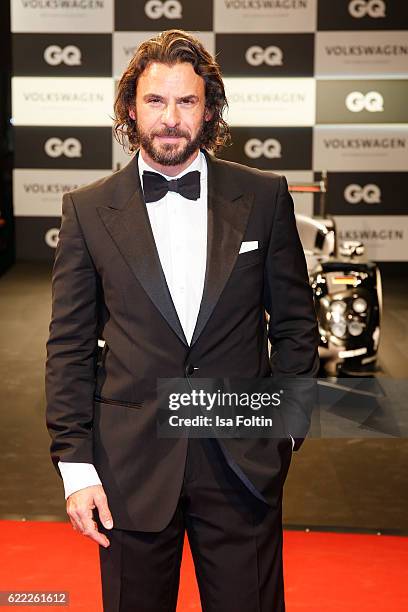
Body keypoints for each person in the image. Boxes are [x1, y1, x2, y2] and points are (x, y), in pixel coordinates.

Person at [45, 29, 319, 612]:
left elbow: (295, 324)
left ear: (210, 108)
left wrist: (284, 435)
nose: (170, 118)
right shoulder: (87, 210)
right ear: (129, 109)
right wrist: (75, 468)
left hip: (242, 465)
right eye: (154, 101)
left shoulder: (263, 197)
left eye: (186, 101)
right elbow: (69, 349)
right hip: (129, 471)